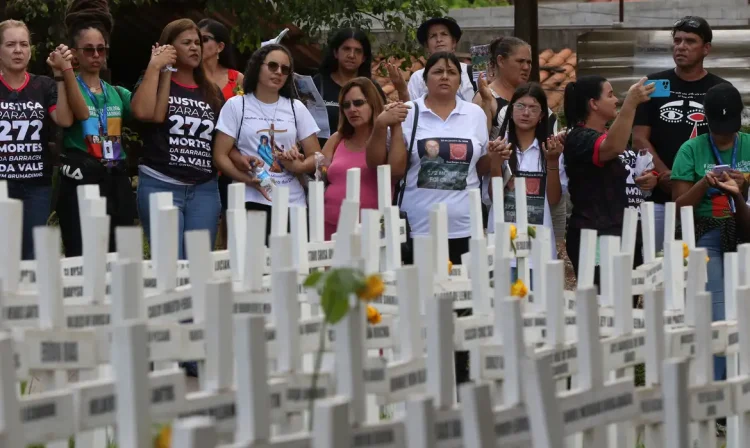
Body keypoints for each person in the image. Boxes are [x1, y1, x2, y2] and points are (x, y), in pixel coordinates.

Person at [367, 51, 489, 388]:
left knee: (463, 308)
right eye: (438, 71)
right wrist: (384, 126)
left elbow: (482, 166)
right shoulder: (410, 113)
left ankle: (463, 382)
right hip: (420, 229)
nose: (446, 77)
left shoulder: (475, 114)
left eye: (452, 71)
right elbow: (391, 168)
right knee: (423, 308)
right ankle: (424, 380)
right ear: (425, 78)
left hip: (465, 226)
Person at [671, 83, 750, 382]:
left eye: (729, 129)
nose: (724, 135)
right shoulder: (691, 149)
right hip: (707, 234)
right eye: (718, 128)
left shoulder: (749, 144)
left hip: (744, 231)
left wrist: (740, 192)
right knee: (718, 315)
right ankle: (716, 393)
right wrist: (704, 184)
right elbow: (679, 207)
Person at [131, 18, 224, 259]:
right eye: (186, 43)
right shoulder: (156, 80)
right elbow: (142, 112)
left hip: (204, 188)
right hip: (161, 183)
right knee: (169, 266)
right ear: (170, 47)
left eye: (198, 42)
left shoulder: (212, 92)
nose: (195, 47)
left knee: (199, 265)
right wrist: (155, 67)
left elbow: (221, 140)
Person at [633, 16, 727, 253]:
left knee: (703, 269)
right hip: (658, 197)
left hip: (706, 199)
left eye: (690, 41)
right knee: (655, 270)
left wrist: (689, 183)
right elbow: (639, 138)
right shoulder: (655, 85)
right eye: (677, 40)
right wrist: (669, 175)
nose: (681, 46)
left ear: (706, 48)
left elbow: (726, 141)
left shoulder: (720, 90)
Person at [214, 43, 321, 241]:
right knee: (254, 268)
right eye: (272, 66)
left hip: (293, 201)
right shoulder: (237, 105)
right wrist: (247, 180)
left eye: (285, 69)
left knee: (292, 269)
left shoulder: (296, 107)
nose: (279, 72)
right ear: (257, 66)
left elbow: (316, 156)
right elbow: (220, 155)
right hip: (251, 198)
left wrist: (298, 164)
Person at [0, 19, 88, 260]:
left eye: (24, 44)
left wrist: (59, 76)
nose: (18, 50)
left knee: (31, 256)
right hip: (1, 186)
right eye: (10, 44)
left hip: (36, 185)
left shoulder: (44, 85)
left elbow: (64, 119)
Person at [57, 0, 138, 258]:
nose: (96, 56)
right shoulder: (66, 87)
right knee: (82, 256)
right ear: (75, 53)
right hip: (82, 179)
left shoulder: (117, 92)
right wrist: (66, 70)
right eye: (89, 50)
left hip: (115, 177)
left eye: (101, 50)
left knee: (120, 257)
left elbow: (145, 112)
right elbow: (72, 117)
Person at [563, 75, 656, 287]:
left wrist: (647, 180)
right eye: (610, 95)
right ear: (593, 103)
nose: (616, 100)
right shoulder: (579, 137)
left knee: (627, 306)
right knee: (603, 308)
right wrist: (631, 103)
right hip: (596, 236)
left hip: (626, 232)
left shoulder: (611, 135)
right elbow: (611, 148)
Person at [486, 83, 565, 280]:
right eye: (520, 106)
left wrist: (553, 162)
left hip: (538, 245)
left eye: (533, 108)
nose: (526, 112)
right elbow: (494, 198)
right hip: (503, 245)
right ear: (511, 110)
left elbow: (554, 199)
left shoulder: (550, 150)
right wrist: (495, 164)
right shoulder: (499, 147)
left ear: (541, 116)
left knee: (539, 309)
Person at [198, 18, 245, 249]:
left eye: (204, 39)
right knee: (202, 227)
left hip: (230, 157)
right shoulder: (190, 78)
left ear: (220, 47)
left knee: (231, 222)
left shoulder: (237, 79)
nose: (197, 44)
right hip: (198, 157)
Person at [321, 77, 386, 240]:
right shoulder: (337, 139)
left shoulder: (387, 138)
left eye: (358, 103)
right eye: (346, 105)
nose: (352, 109)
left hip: (370, 231)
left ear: (372, 103)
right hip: (328, 227)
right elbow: (317, 173)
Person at [313, 28, 386, 148]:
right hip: (321, 159)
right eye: (346, 49)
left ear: (364, 57)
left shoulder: (372, 88)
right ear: (336, 52)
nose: (352, 55)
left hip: (362, 158)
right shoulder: (318, 84)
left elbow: (382, 124)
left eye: (358, 51)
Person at [406, 17, 476, 102]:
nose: (439, 40)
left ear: (453, 42)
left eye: (444, 34)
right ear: (427, 46)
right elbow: (411, 110)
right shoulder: (417, 78)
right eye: (433, 36)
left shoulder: (471, 72)